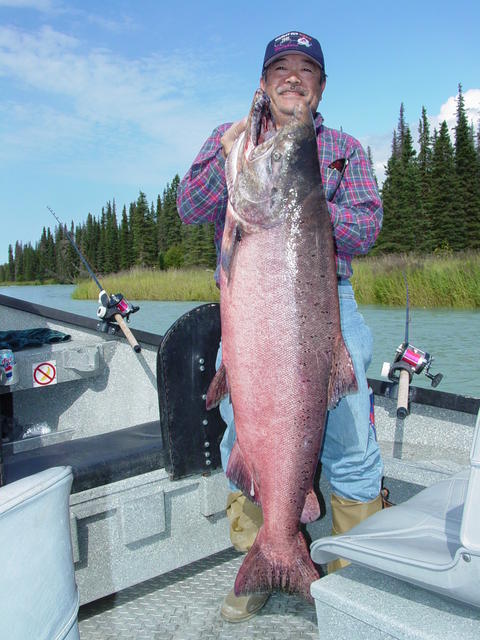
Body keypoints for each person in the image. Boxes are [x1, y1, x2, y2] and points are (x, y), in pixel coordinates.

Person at [177, 30, 384, 623]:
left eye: (306, 70)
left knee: (349, 430)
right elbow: (191, 210)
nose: (294, 78)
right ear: (265, 83)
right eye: (281, 69)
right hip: (255, 308)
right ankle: (264, 556)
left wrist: (302, 195)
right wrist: (224, 158)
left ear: (320, 86)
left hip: (326, 303)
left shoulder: (342, 146)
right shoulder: (236, 141)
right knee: (241, 428)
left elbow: (366, 231)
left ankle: (352, 576)